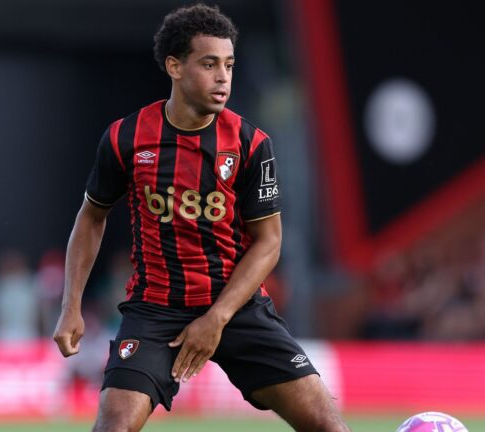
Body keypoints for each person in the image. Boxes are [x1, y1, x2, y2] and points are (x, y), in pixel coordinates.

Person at [53, 4, 351, 431]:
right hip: (155, 309)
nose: (223, 77)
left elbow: (269, 242)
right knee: (114, 426)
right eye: (209, 64)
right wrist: (71, 306)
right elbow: (91, 218)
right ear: (175, 66)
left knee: (328, 425)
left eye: (229, 65)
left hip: (237, 306)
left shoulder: (250, 143)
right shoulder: (125, 137)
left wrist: (217, 318)